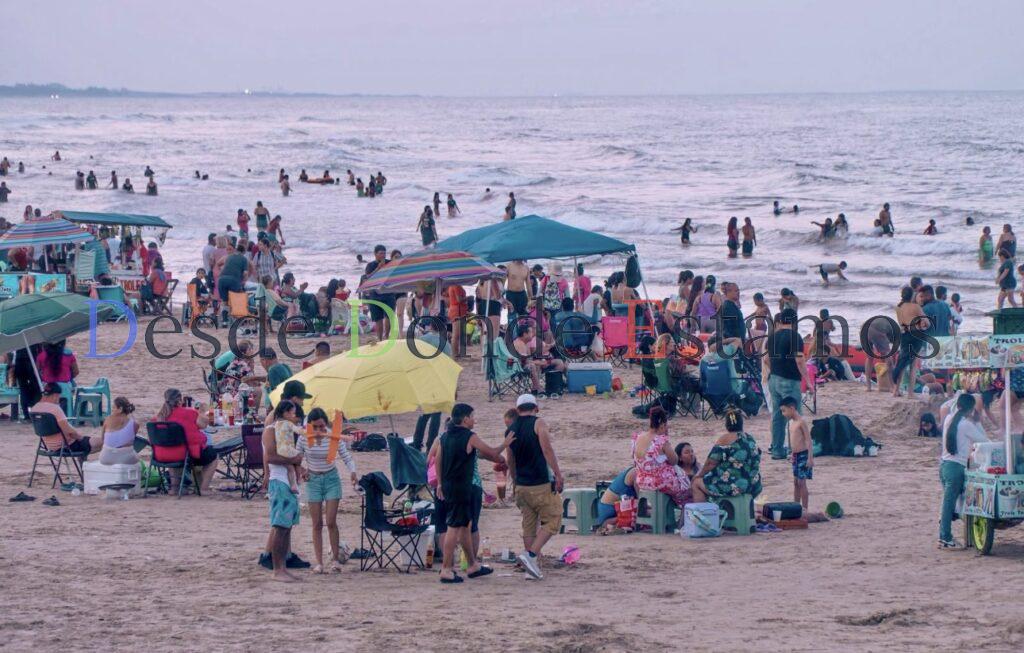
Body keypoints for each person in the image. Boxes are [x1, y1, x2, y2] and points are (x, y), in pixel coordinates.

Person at [433, 403, 514, 583]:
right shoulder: (469, 436)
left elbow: (437, 460)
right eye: (472, 416)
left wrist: (439, 483)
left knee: (464, 525)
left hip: (449, 485)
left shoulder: (444, 437)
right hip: (462, 486)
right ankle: (446, 569)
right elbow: (491, 452)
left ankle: (472, 565)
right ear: (465, 419)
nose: (474, 419)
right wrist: (505, 444)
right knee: (454, 526)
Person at [506, 394, 562, 580]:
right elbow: (547, 450)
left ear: (517, 409)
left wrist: (514, 481)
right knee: (553, 520)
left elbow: (510, 459)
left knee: (529, 526)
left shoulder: (510, 429)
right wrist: (558, 474)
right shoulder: (539, 423)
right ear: (536, 408)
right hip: (540, 482)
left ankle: (531, 568)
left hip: (522, 484)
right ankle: (530, 556)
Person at [298, 407, 356, 573]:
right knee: (317, 523)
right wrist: (302, 471)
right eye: (314, 427)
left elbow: (346, 456)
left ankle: (335, 560)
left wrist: (353, 471)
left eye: (321, 427)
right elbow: (296, 458)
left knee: (331, 521)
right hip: (313, 480)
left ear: (326, 425)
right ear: (309, 426)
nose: (318, 431)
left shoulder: (333, 436)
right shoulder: (303, 438)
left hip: (331, 479)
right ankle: (319, 562)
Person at [938, 394, 989, 548]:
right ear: (971, 409)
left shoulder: (949, 419)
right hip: (956, 469)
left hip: (944, 466)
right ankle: (945, 537)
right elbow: (984, 441)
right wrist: (978, 421)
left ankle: (946, 530)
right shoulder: (966, 424)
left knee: (950, 504)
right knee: (950, 505)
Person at [262, 402, 304, 581]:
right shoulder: (271, 430)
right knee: (280, 526)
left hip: (288, 481)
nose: (295, 418)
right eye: (293, 414)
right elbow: (270, 456)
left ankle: (283, 567)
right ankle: (277, 569)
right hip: (279, 480)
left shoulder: (286, 430)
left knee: (287, 526)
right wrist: (295, 459)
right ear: (285, 413)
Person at [691, 407, 763, 502]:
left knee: (696, 483)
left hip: (735, 487)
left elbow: (710, 463)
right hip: (753, 485)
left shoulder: (725, 439)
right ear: (741, 423)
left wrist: (698, 475)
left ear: (726, 425)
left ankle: (703, 515)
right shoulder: (750, 439)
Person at [155, 388, 219, 493]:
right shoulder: (189, 413)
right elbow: (203, 425)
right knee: (213, 456)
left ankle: (174, 488)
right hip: (185, 456)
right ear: (180, 401)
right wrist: (202, 412)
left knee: (172, 448)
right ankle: (203, 488)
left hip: (161, 456)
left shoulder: (160, 417)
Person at [767, 309, 807, 459]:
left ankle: (777, 450)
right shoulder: (795, 337)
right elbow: (799, 360)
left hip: (774, 379)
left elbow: (766, 360)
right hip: (789, 380)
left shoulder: (772, 337)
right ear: (795, 321)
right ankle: (796, 450)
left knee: (778, 416)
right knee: (795, 415)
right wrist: (807, 381)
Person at [632, 406, 688, 506]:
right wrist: (666, 437)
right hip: (659, 483)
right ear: (662, 424)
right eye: (666, 426)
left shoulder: (638, 437)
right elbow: (674, 460)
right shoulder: (661, 441)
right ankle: (681, 517)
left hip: (641, 481)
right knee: (686, 488)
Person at [30, 382, 99, 459]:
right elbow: (69, 431)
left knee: (89, 445)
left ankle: (83, 460)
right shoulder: (54, 409)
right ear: (55, 395)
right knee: (103, 443)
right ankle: (83, 463)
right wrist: (81, 438)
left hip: (48, 446)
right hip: (66, 445)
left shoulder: (34, 409)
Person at [891, 286, 931, 397]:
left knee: (902, 362)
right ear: (912, 295)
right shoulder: (916, 307)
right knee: (913, 365)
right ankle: (910, 393)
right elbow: (927, 322)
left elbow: (902, 324)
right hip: (915, 337)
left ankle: (896, 391)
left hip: (904, 335)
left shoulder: (898, 308)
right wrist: (922, 326)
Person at [779, 396, 813, 510]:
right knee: (795, 482)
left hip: (803, 455)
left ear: (792, 408)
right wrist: (791, 454)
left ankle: (805, 509)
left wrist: (810, 458)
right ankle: (796, 507)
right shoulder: (791, 423)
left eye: (784, 410)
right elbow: (792, 441)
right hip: (795, 456)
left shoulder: (801, 422)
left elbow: (808, 440)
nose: (783, 414)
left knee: (801, 482)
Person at [98, 397, 142, 465]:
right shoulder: (135, 424)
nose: (112, 410)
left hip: (105, 458)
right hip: (126, 459)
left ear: (120, 409)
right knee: (138, 459)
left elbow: (103, 439)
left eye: (113, 408)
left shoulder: (108, 419)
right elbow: (130, 439)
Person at [596, 466, 637, 534]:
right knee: (634, 514)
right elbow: (641, 499)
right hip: (609, 512)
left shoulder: (635, 471)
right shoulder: (635, 473)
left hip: (615, 508)